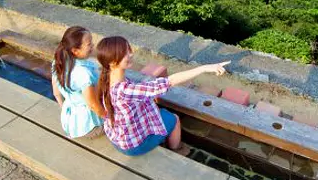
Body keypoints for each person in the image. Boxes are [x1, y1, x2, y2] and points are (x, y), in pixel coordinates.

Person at [96, 36, 228, 156]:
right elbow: (169, 81)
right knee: (174, 119)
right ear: (112, 62)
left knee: (161, 112)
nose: (130, 53)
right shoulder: (125, 90)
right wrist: (203, 68)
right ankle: (176, 150)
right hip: (132, 146)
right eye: (125, 53)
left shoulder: (106, 77)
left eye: (128, 49)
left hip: (117, 137)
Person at [51, 26, 105, 139]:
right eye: (89, 44)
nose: (92, 46)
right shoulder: (83, 73)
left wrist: (64, 108)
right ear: (75, 50)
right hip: (90, 127)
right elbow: (93, 105)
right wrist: (110, 118)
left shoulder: (58, 61)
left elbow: (56, 93)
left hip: (71, 122)